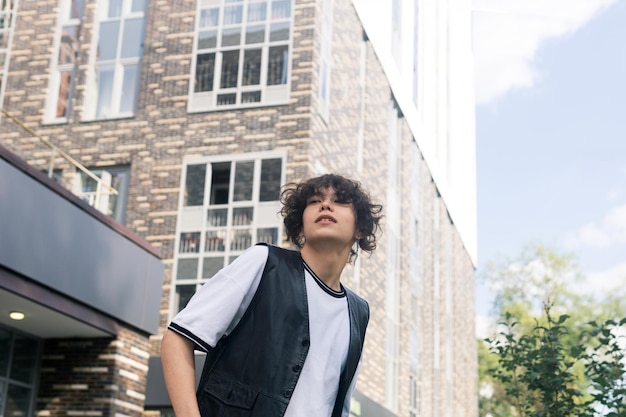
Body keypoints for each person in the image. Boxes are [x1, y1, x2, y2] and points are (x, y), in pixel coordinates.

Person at [161, 173, 383, 417]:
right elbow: (177, 339)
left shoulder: (358, 313)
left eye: (339, 201)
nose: (325, 205)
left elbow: (339, 405)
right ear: (299, 226)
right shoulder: (264, 264)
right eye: (314, 201)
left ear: (360, 228)